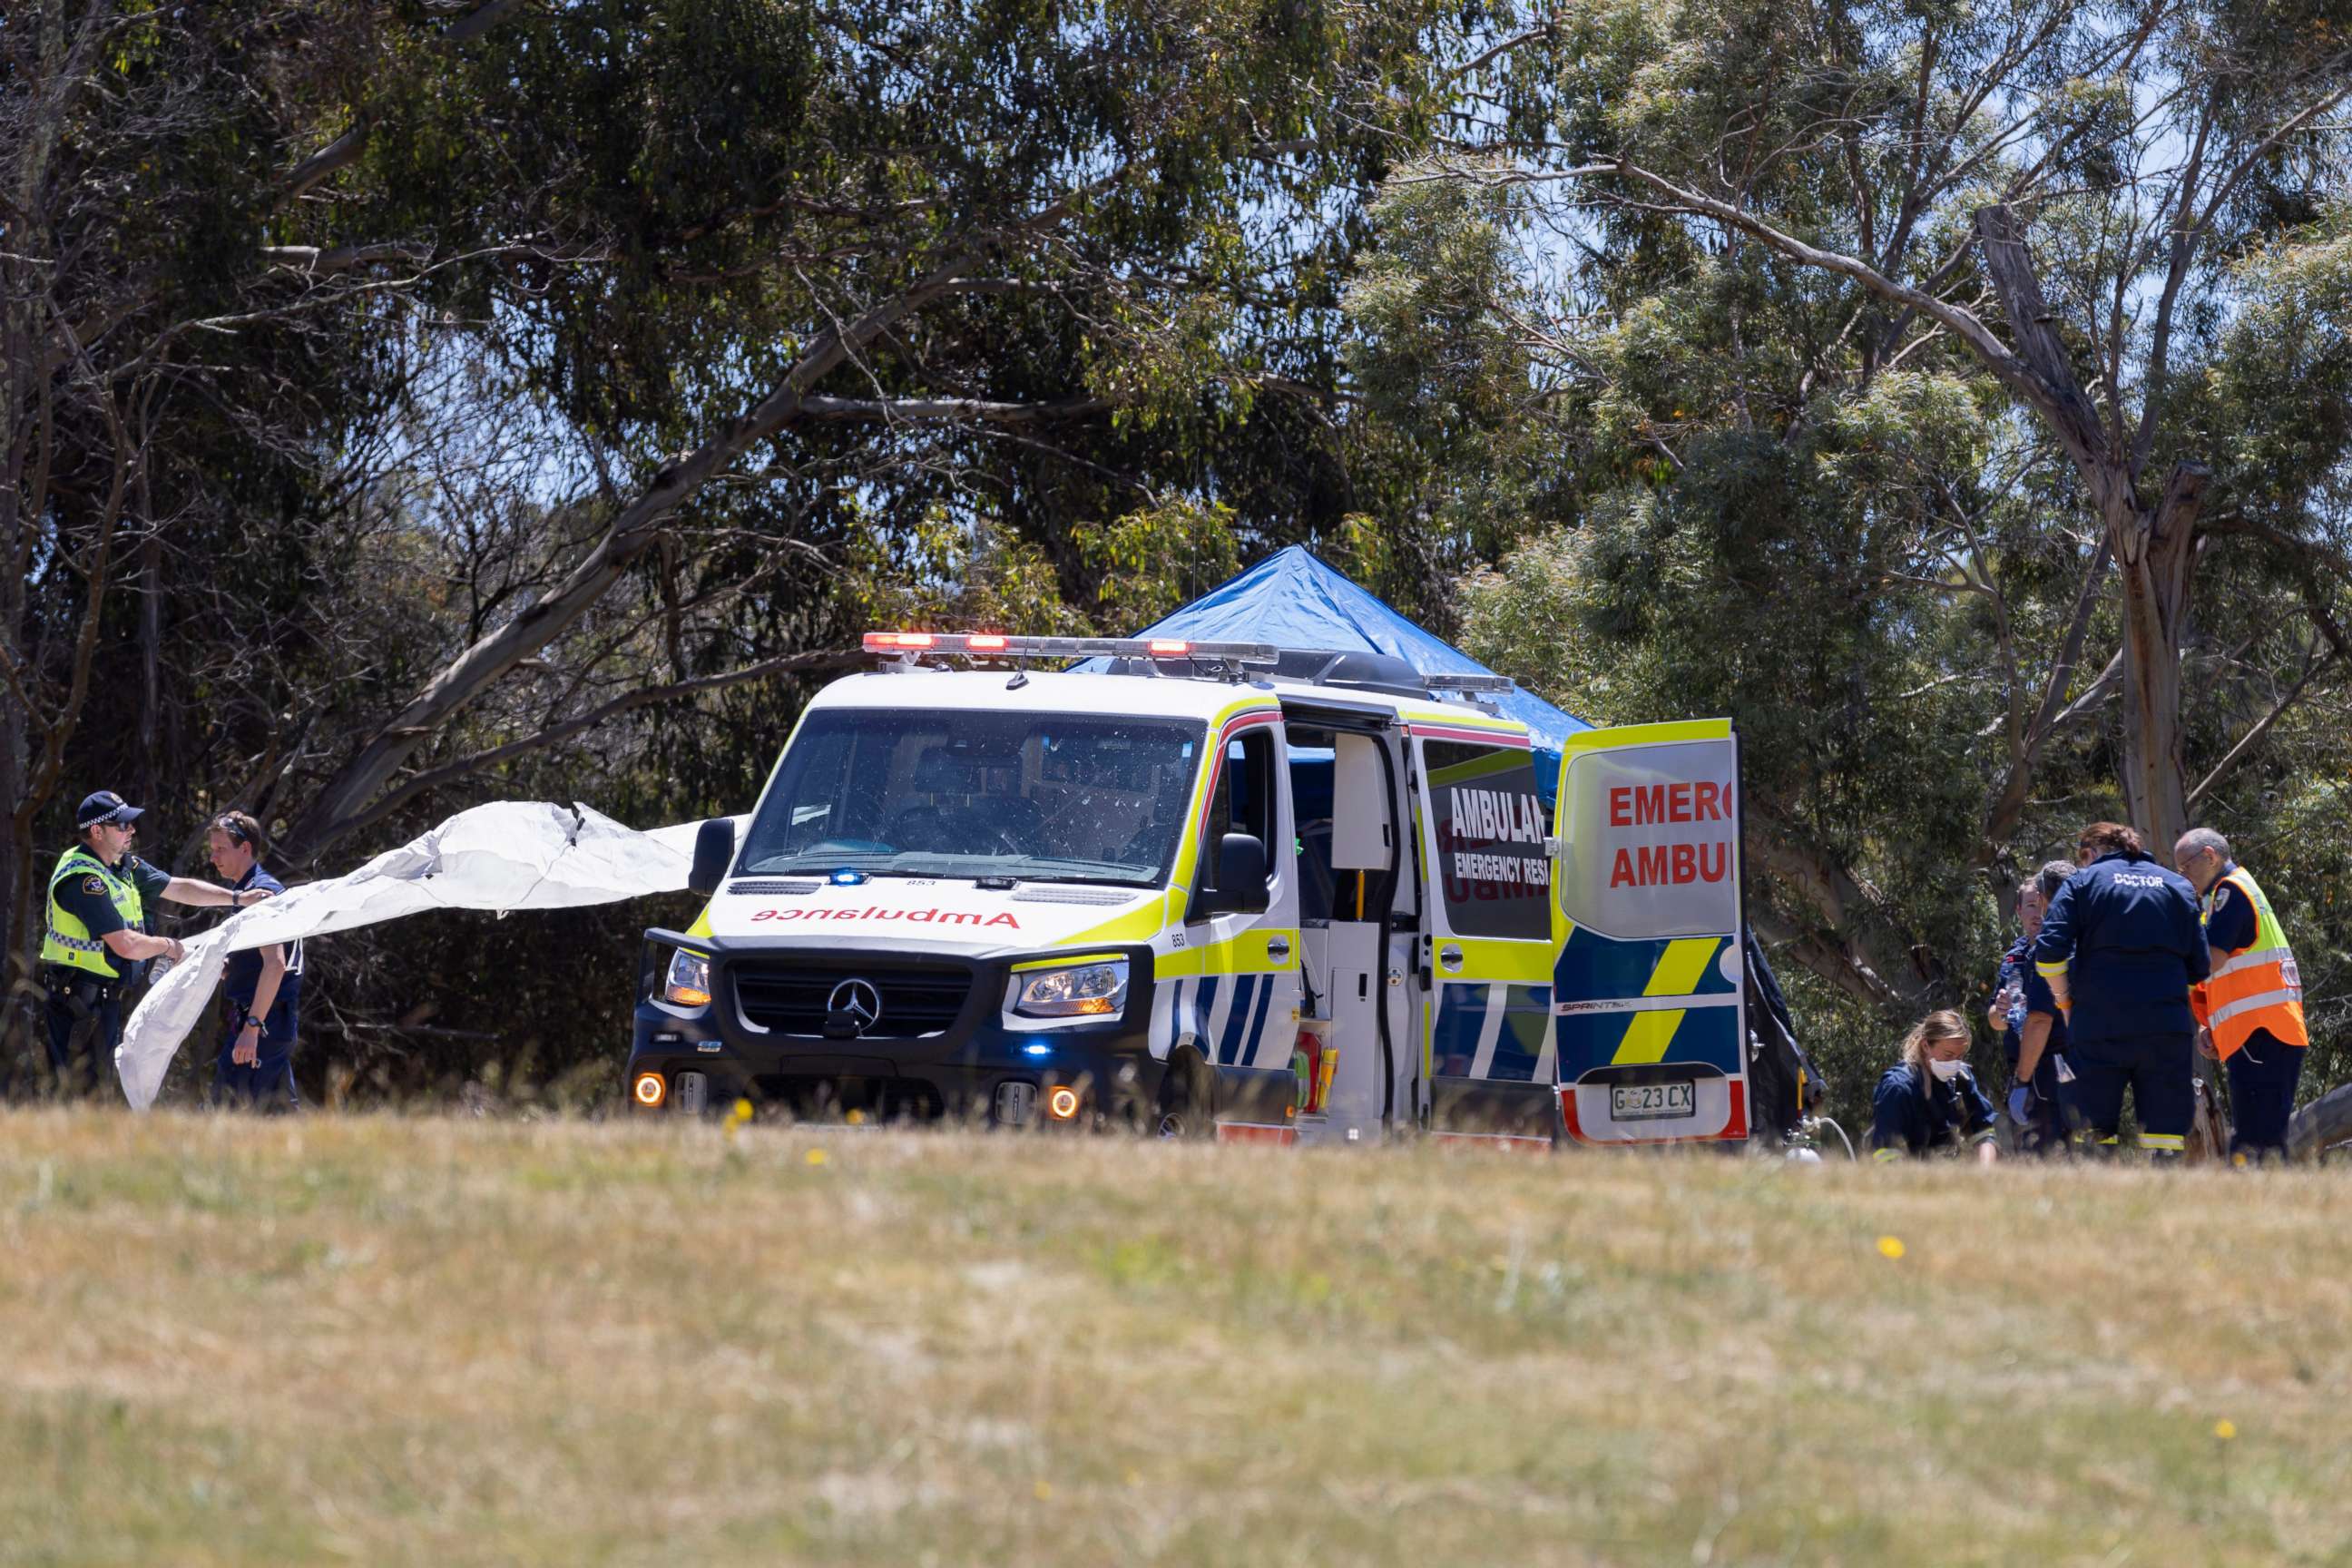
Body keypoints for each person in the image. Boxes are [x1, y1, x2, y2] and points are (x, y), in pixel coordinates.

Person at [39, 789, 271, 1096]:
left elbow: (180, 888)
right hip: (77, 1003)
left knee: (96, 1093)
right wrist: (168, 946)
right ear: (97, 831)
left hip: (101, 1000)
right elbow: (125, 944)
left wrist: (238, 898)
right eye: (122, 825)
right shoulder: (83, 880)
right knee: (78, 1093)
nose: (131, 829)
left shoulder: (123, 866)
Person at [2032, 821, 2206, 1158]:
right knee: (2166, 1136)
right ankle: (2165, 1200)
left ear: (2090, 853)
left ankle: (2098, 1203)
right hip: (2166, 1028)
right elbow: (2199, 967)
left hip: (2098, 1025)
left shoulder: (2083, 882)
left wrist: (2065, 1003)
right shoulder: (2178, 887)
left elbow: (2050, 951)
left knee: (2094, 1132)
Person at [2174, 828, 2308, 1164]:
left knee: (2254, 1139)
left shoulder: (2229, 892)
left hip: (2261, 1033)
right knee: (2261, 1136)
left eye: (2186, 866)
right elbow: (2227, 974)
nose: (2183, 876)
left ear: (2210, 855)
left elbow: (2210, 960)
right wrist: (2213, 1028)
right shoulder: (2233, 892)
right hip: (2263, 1033)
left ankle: (2259, 1206)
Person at [204, 810, 304, 1111]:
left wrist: (251, 1029)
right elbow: (258, 961)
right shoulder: (245, 891)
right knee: (276, 1117)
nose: (213, 858)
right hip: (266, 1019)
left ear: (245, 848)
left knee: (227, 1110)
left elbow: (275, 964)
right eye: (212, 850)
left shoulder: (262, 894)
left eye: (221, 849)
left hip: (263, 1021)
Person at [1991, 858, 2080, 1154]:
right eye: (2029, 905)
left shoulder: (2061, 945)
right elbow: (1996, 1020)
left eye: (2039, 902)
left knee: (2058, 1149)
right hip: (2022, 1065)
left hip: (2056, 1062)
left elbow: (2041, 1019)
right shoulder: (2013, 957)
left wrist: (2024, 1080)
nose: (2036, 911)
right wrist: (2000, 1011)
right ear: (2018, 911)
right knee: (2031, 1151)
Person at [1867, 1010, 2000, 1161]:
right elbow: (1887, 1155)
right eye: (1948, 1055)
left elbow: (1984, 1133)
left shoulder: (1962, 1079)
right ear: (1925, 1045)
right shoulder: (1898, 1087)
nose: (1955, 1063)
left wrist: (1985, 1174)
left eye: (1960, 1056)